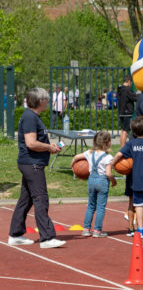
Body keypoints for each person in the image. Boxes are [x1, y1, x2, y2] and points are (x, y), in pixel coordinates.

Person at [8, 88, 66, 249]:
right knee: (41, 198)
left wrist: (50, 146)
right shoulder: (30, 117)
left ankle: (15, 234)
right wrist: (49, 147)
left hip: (30, 163)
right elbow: (31, 143)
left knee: (26, 200)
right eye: (47, 100)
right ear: (41, 101)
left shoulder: (32, 116)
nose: (48, 102)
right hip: (31, 163)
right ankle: (47, 237)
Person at [71, 131, 117, 238]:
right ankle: (97, 231)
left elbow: (76, 157)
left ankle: (86, 229)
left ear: (94, 142)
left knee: (91, 206)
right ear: (108, 143)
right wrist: (114, 181)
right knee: (100, 207)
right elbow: (109, 173)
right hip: (102, 182)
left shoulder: (89, 153)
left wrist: (73, 166)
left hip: (91, 181)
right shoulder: (108, 157)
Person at [118, 75, 138, 147]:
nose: (131, 84)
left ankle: (121, 147)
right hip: (127, 113)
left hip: (121, 112)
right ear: (129, 81)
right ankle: (123, 148)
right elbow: (135, 98)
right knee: (125, 132)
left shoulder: (120, 89)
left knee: (123, 130)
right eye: (131, 83)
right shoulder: (127, 90)